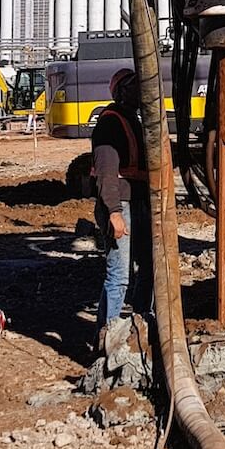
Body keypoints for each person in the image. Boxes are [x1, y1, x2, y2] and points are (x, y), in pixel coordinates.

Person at [91, 68, 153, 346]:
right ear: (121, 91)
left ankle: (140, 324)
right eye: (133, 86)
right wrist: (114, 213)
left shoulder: (134, 120)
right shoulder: (111, 123)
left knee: (149, 267)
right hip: (121, 205)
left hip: (139, 203)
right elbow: (106, 173)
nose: (140, 91)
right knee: (119, 274)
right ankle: (108, 336)